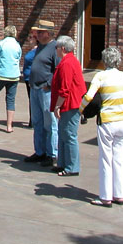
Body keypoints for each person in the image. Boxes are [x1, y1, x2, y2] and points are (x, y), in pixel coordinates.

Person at [81, 46, 123, 207]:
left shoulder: (101, 76)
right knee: (119, 158)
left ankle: (105, 196)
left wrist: (80, 109)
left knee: (106, 159)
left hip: (107, 121)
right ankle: (119, 195)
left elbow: (89, 96)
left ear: (104, 61)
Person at [23, 20, 59, 167]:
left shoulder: (54, 48)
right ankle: (40, 151)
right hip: (35, 88)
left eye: (40, 32)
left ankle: (52, 154)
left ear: (48, 34)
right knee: (37, 122)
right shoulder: (40, 47)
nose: (37, 34)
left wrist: (49, 84)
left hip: (46, 91)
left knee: (50, 123)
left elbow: (58, 70)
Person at [51, 35, 86, 176]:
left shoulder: (67, 63)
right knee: (63, 133)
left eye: (57, 47)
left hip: (71, 105)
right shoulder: (70, 61)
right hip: (70, 104)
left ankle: (72, 166)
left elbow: (64, 89)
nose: (56, 50)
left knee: (69, 135)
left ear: (63, 48)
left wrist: (57, 106)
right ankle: (63, 163)